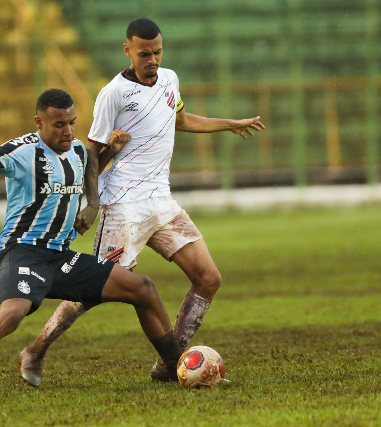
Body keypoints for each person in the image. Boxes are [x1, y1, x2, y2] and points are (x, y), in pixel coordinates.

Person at [20, 18, 266, 384]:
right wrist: (91, 204)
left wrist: (227, 123)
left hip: (162, 203)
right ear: (128, 51)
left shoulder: (170, 79)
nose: (152, 59)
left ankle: (171, 365)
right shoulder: (113, 94)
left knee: (208, 278)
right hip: (123, 207)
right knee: (91, 293)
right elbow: (92, 156)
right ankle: (35, 350)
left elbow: (178, 119)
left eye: (157, 52)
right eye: (144, 53)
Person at [0, 89, 183, 404]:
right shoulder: (22, 151)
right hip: (22, 252)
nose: (68, 131)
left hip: (61, 258)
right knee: (12, 314)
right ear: (39, 121)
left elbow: (89, 166)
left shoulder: (76, 150)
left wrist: (92, 202)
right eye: (60, 124)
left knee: (143, 288)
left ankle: (174, 367)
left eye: (72, 123)